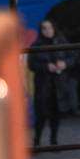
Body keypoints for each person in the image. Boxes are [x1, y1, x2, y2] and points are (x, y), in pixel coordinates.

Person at [29, 19, 71, 147]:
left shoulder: (62, 42)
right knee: (41, 114)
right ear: (41, 30)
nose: (48, 31)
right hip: (43, 85)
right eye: (45, 28)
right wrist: (46, 67)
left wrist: (65, 64)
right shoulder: (36, 45)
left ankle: (54, 141)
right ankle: (37, 141)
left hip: (58, 85)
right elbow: (31, 64)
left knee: (56, 115)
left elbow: (73, 57)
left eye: (50, 28)